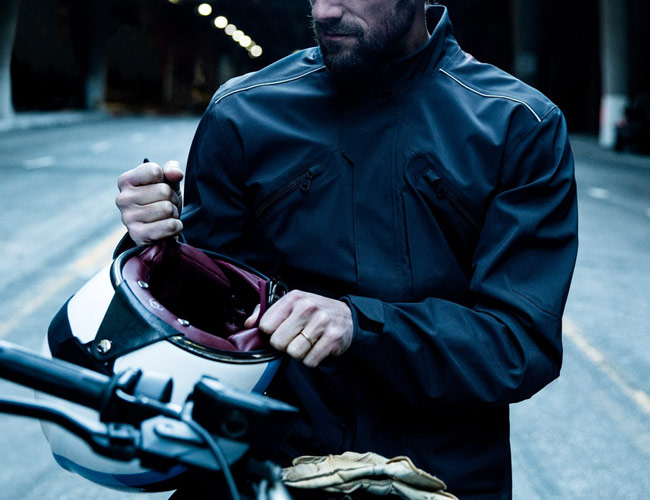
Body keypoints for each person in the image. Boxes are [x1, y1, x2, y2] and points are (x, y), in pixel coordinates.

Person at [116, 1, 578, 498]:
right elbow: (203, 315)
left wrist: (360, 326)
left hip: (438, 481)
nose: (325, 10)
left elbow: (518, 344)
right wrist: (157, 247)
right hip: (265, 471)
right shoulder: (243, 111)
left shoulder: (518, 125)